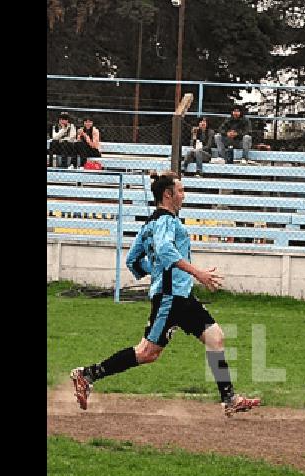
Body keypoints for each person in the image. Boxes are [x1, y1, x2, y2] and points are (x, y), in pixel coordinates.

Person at [69, 171, 261, 417]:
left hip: (180, 296)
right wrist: (197, 273)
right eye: (180, 190)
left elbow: (133, 261)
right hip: (171, 298)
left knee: (215, 337)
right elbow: (166, 250)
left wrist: (158, 273)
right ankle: (87, 374)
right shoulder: (167, 222)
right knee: (147, 353)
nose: (184, 195)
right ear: (168, 195)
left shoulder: (150, 224)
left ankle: (229, 398)